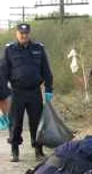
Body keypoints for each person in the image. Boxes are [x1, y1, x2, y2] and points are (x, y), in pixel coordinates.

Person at [0, 23, 54, 162]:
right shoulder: (9, 50)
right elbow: (3, 72)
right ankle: (14, 150)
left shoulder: (38, 49)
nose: (24, 36)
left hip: (35, 92)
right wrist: (4, 93)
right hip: (16, 92)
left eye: (26, 33)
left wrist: (48, 89)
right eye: (21, 33)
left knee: (37, 122)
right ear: (16, 34)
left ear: (29, 34)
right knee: (15, 122)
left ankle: (38, 150)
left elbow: (46, 71)